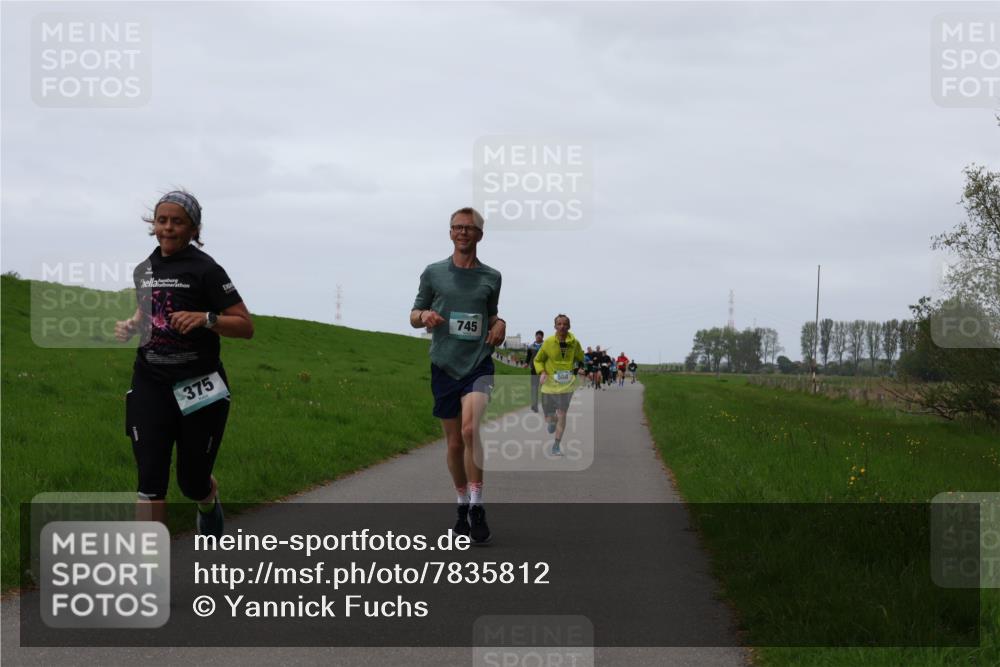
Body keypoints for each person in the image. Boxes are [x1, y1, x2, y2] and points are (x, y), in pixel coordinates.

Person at [114, 190, 254, 537]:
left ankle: (207, 502)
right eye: (162, 220)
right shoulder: (144, 270)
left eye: (177, 222)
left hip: (199, 385)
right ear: (154, 224)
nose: (168, 228)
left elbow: (245, 325)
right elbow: (148, 310)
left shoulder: (206, 269)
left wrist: (206, 318)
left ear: (193, 228)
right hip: (151, 383)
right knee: (149, 482)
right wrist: (133, 323)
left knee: (192, 482)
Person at [410, 207, 505, 545]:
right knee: (452, 443)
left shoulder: (491, 277)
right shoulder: (433, 273)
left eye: (469, 228)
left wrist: (500, 325)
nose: (463, 233)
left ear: (480, 234)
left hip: (478, 363)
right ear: (450, 233)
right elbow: (413, 314)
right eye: (457, 228)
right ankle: (462, 503)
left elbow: (491, 315)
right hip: (445, 364)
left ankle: (477, 507)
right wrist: (426, 315)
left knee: (469, 430)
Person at [534, 314, 585, 456]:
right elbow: (538, 360)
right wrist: (542, 372)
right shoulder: (548, 342)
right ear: (555, 326)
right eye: (559, 324)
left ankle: (556, 445)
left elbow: (581, 359)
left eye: (565, 324)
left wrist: (580, 369)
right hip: (549, 385)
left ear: (569, 326)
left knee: (562, 414)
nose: (562, 326)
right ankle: (552, 421)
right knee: (550, 419)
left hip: (567, 385)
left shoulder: (575, 343)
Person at [525, 330, 545, 412]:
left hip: (544, 370)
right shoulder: (531, 347)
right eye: (537, 335)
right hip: (533, 369)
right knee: (534, 387)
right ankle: (534, 405)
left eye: (540, 335)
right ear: (535, 336)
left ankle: (545, 405)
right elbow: (528, 357)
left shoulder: (545, 346)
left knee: (544, 388)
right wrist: (526, 363)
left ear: (542, 337)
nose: (538, 336)